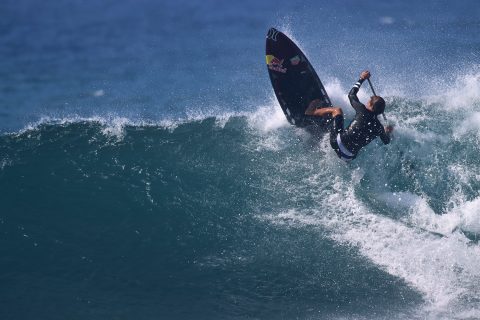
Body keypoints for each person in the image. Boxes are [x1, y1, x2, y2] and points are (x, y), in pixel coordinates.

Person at [305, 70, 393, 161]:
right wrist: (387, 132)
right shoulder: (379, 127)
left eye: (368, 102)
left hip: (337, 143)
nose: (367, 103)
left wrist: (361, 79)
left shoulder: (362, 110)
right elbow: (386, 141)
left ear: (371, 105)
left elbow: (351, 95)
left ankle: (311, 112)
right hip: (348, 157)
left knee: (337, 110)